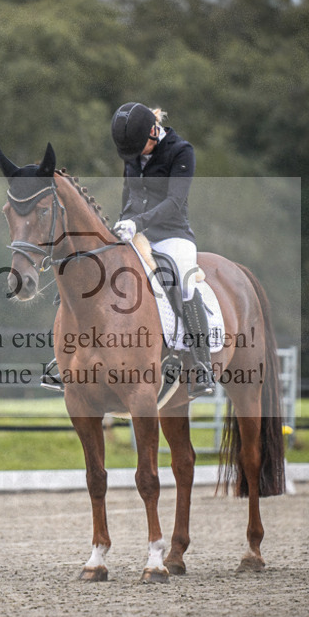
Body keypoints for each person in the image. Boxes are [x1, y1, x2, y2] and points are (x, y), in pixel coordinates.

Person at [110, 101, 215, 398]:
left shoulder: (182, 152)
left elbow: (174, 203)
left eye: (138, 149)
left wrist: (138, 221)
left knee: (183, 282)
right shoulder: (133, 151)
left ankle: (202, 365)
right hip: (135, 232)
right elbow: (128, 193)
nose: (133, 157)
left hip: (172, 233)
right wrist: (123, 223)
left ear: (154, 133)